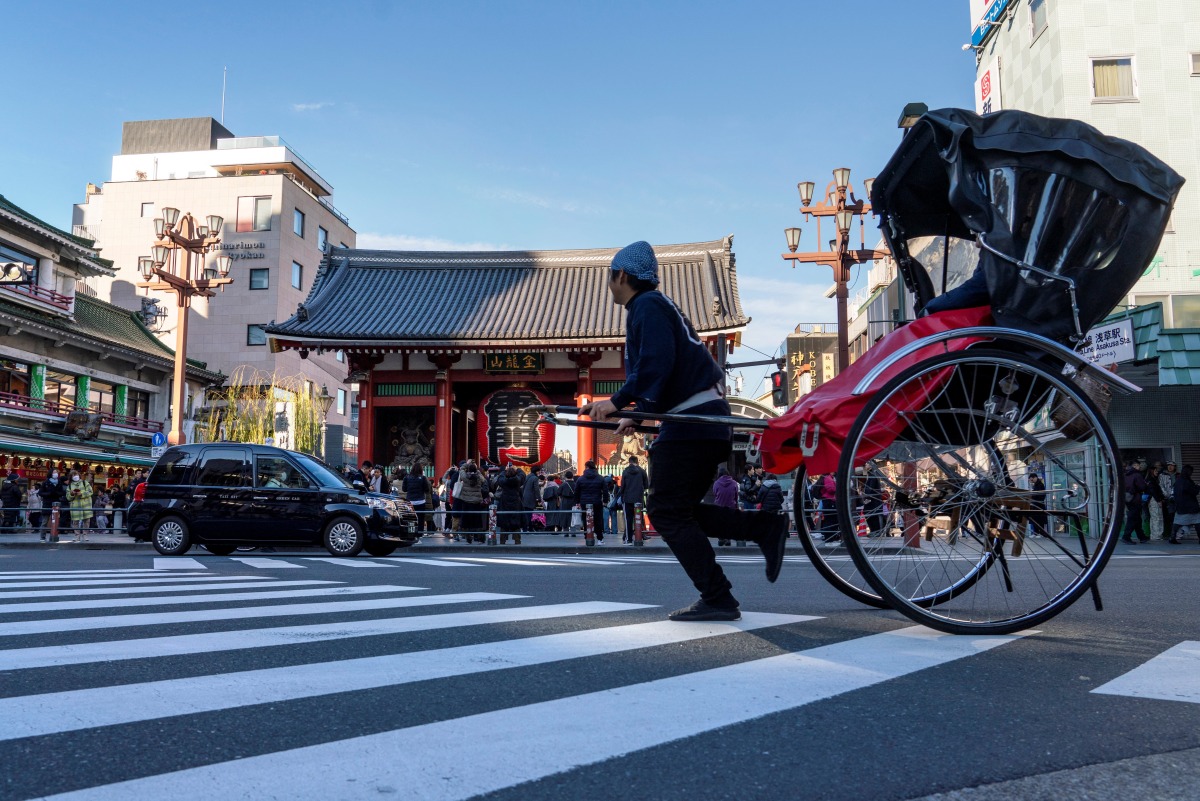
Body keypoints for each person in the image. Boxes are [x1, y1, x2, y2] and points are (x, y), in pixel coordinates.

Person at [580, 241, 787, 621]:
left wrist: (620, 400)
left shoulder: (645, 305)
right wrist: (639, 413)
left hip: (694, 422)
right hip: (699, 418)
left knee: (665, 512)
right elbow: (668, 370)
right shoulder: (658, 305)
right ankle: (764, 528)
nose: (609, 286)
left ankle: (719, 595)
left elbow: (657, 364)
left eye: (610, 278)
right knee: (680, 510)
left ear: (621, 275)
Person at [453, 461, 491, 544]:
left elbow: (461, 470)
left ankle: (468, 538)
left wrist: (467, 464)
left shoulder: (465, 477)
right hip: (476, 501)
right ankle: (481, 538)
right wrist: (476, 470)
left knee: (467, 522)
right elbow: (484, 480)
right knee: (478, 521)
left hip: (466, 501)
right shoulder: (478, 477)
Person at [574, 460, 607, 544]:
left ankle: (587, 537)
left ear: (586, 467)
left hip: (584, 502)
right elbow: (605, 490)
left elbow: (576, 491)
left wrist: (577, 502)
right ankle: (599, 538)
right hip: (597, 501)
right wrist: (605, 501)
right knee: (598, 520)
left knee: (586, 520)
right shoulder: (600, 478)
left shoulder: (581, 479)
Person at [621, 456, 650, 544]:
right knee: (638, 518)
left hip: (627, 499)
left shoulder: (625, 471)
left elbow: (622, 486)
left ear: (629, 462)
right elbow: (646, 485)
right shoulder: (642, 471)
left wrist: (621, 496)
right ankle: (639, 537)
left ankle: (628, 539)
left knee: (628, 519)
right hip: (638, 499)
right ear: (637, 462)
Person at [1169, 464, 1199, 544]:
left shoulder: (1178, 481)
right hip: (1191, 506)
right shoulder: (1187, 481)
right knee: (1198, 522)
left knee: (1177, 523)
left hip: (1180, 506)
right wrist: (1198, 487)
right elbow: (1194, 491)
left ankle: (1172, 538)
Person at [495, 464, 524, 544]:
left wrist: (505, 470)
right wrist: (517, 468)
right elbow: (522, 475)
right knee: (516, 522)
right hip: (516, 501)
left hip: (505, 501)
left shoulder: (503, 482)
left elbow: (500, 477)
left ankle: (502, 540)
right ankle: (517, 540)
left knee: (504, 522)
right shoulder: (518, 480)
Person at [711, 465, 739, 547]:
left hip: (719, 506)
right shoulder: (734, 483)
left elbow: (715, 493)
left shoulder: (716, 483)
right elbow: (736, 495)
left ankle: (721, 538)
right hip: (731, 506)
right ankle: (728, 538)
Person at [1121, 459, 1148, 544]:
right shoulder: (1137, 475)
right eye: (1138, 465)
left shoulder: (1124, 474)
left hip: (1127, 498)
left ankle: (1142, 536)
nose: (1139, 467)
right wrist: (1145, 485)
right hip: (1136, 498)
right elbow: (1142, 487)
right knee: (1133, 518)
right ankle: (1126, 536)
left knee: (1136, 518)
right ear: (1134, 466)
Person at [38, 471, 66, 541]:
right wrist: (48, 493)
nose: (56, 473)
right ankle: (42, 536)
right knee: (45, 521)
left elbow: (62, 492)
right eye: (54, 472)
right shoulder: (46, 482)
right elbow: (40, 493)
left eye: (56, 472)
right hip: (47, 503)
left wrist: (57, 493)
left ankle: (53, 536)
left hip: (56, 503)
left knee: (55, 521)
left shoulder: (59, 482)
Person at [67, 471, 93, 542]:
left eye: (76, 475)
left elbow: (90, 492)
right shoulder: (69, 486)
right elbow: (68, 497)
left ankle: (85, 535)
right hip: (75, 505)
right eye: (73, 475)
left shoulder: (85, 483)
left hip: (85, 505)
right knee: (75, 521)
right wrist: (72, 494)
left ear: (79, 475)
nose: (75, 476)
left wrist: (81, 493)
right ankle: (77, 536)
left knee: (86, 520)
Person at [1145, 463, 1166, 541]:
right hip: (1154, 500)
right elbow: (1153, 491)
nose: (1157, 472)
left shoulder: (1151, 480)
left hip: (1153, 500)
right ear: (1151, 471)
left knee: (1155, 518)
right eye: (1155, 470)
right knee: (1157, 518)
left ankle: (1155, 535)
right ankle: (1157, 535)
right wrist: (1159, 500)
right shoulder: (1151, 480)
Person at [521, 467, 542, 534]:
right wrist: (538, 498)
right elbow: (536, 489)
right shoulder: (535, 478)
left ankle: (527, 528)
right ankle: (528, 528)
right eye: (539, 471)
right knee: (529, 513)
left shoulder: (527, 476)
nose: (539, 472)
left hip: (525, 497)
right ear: (536, 471)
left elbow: (523, 487)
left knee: (526, 513)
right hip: (530, 498)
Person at [1027, 470, 1047, 538]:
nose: (1031, 481)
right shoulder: (1037, 484)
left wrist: (1032, 497)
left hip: (1038, 504)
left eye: (1031, 479)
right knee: (1036, 519)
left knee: (1039, 519)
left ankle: (1040, 533)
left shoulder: (1039, 485)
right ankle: (1036, 533)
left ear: (1034, 477)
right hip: (1036, 504)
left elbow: (1040, 495)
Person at [1160, 461, 1178, 538]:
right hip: (1167, 498)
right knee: (1167, 516)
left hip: (1176, 498)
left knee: (1176, 516)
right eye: (1168, 465)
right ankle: (1168, 534)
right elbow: (1161, 486)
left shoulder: (1178, 475)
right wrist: (1166, 495)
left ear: (1175, 467)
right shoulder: (1162, 475)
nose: (1170, 467)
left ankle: (1175, 534)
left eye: (1172, 465)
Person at [559, 470, 578, 534]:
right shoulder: (575, 484)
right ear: (572, 476)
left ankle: (566, 532)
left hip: (564, 501)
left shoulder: (563, 484)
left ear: (565, 476)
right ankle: (573, 532)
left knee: (564, 516)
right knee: (573, 516)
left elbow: (558, 492)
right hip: (573, 502)